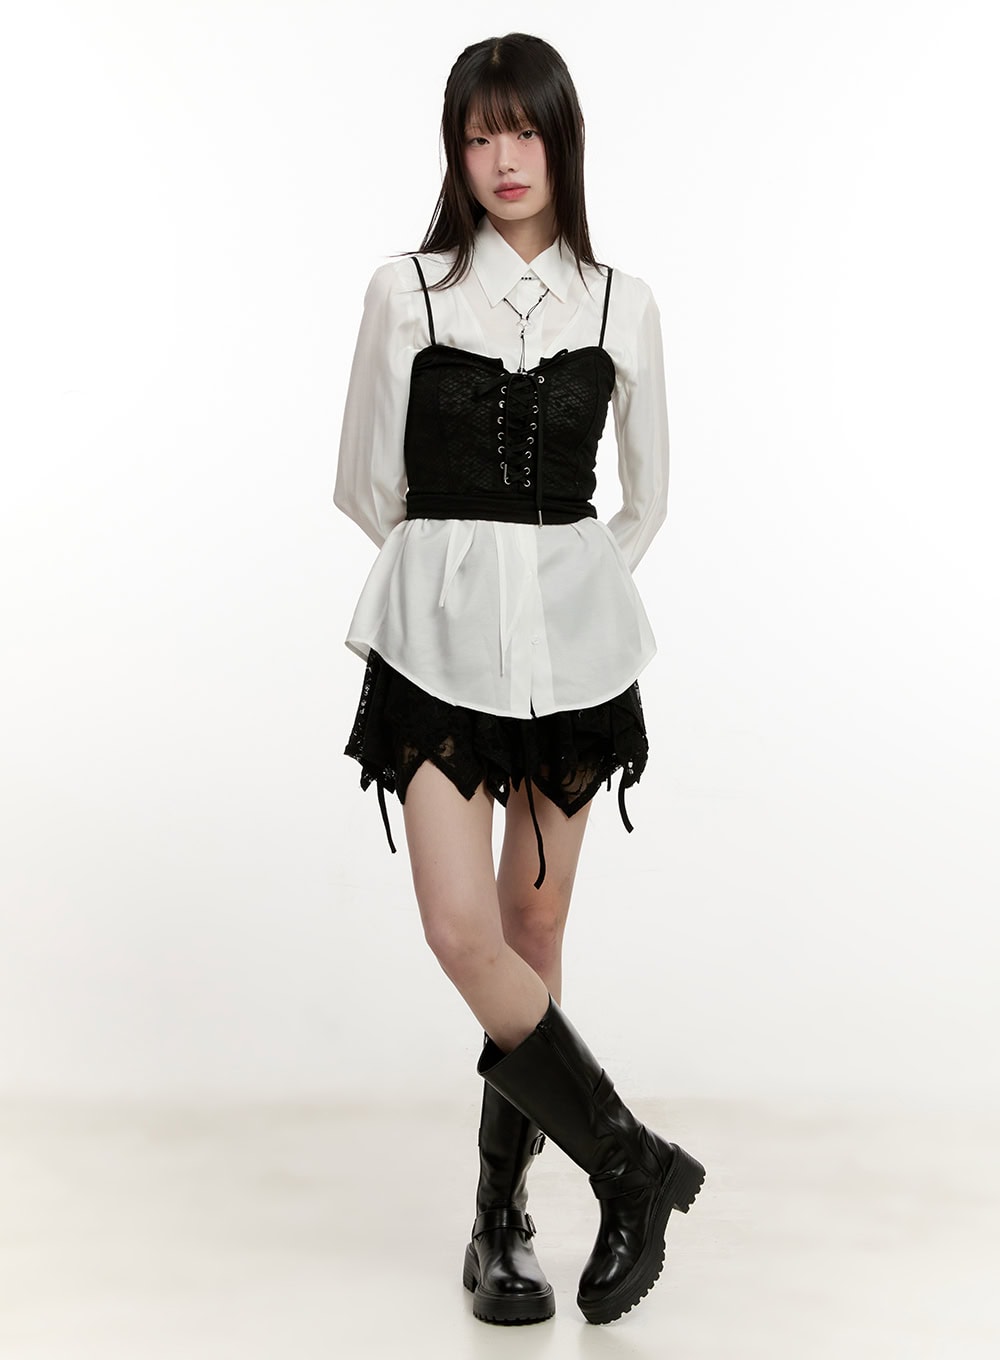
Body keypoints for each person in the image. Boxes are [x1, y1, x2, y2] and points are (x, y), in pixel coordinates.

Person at [334, 32, 705, 1327]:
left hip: (573, 664)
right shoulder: (409, 294)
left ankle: (502, 1218)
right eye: (479, 132)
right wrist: (461, 583)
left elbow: (647, 501)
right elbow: (366, 489)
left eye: (524, 130)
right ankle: (628, 1159)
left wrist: (556, 588)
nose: (502, 157)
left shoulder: (620, 305)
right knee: (462, 930)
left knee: (534, 935)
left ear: (562, 144)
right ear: (456, 150)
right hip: (437, 658)